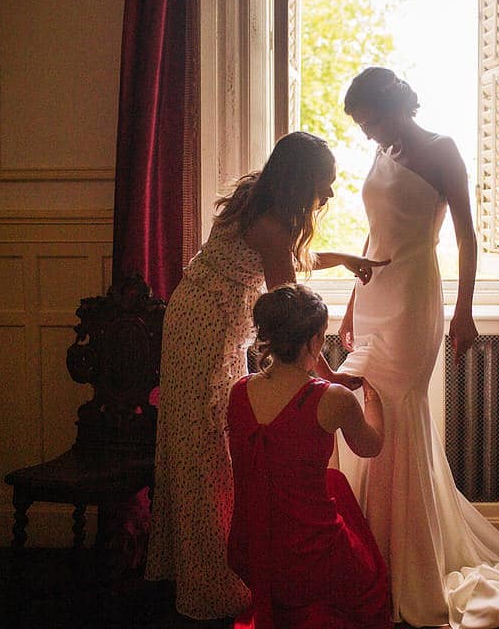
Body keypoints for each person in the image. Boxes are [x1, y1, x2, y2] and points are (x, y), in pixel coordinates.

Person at [145, 131, 388, 620]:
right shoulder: (272, 222)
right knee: (204, 455)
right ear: (302, 181)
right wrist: (329, 382)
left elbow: (288, 264)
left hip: (202, 324)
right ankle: (210, 588)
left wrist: (345, 259)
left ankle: (215, 570)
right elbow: (294, 315)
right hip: (204, 334)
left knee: (213, 449)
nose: (332, 194)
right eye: (326, 183)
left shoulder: (263, 198)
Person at [334, 67, 499, 626]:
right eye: (362, 125)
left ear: (395, 105)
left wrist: (464, 310)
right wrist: (350, 305)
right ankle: (370, 555)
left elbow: (466, 235)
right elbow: (373, 238)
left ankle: (410, 566)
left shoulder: (443, 151)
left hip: (417, 296)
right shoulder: (381, 154)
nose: (368, 133)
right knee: (370, 410)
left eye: (371, 120)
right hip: (374, 297)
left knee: (400, 413)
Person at [226, 283, 391, 629]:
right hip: (308, 555)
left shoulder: (239, 392)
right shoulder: (332, 399)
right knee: (371, 582)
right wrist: (374, 397)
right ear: (315, 341)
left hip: (249, 549)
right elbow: (370, 446)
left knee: (333, 482)